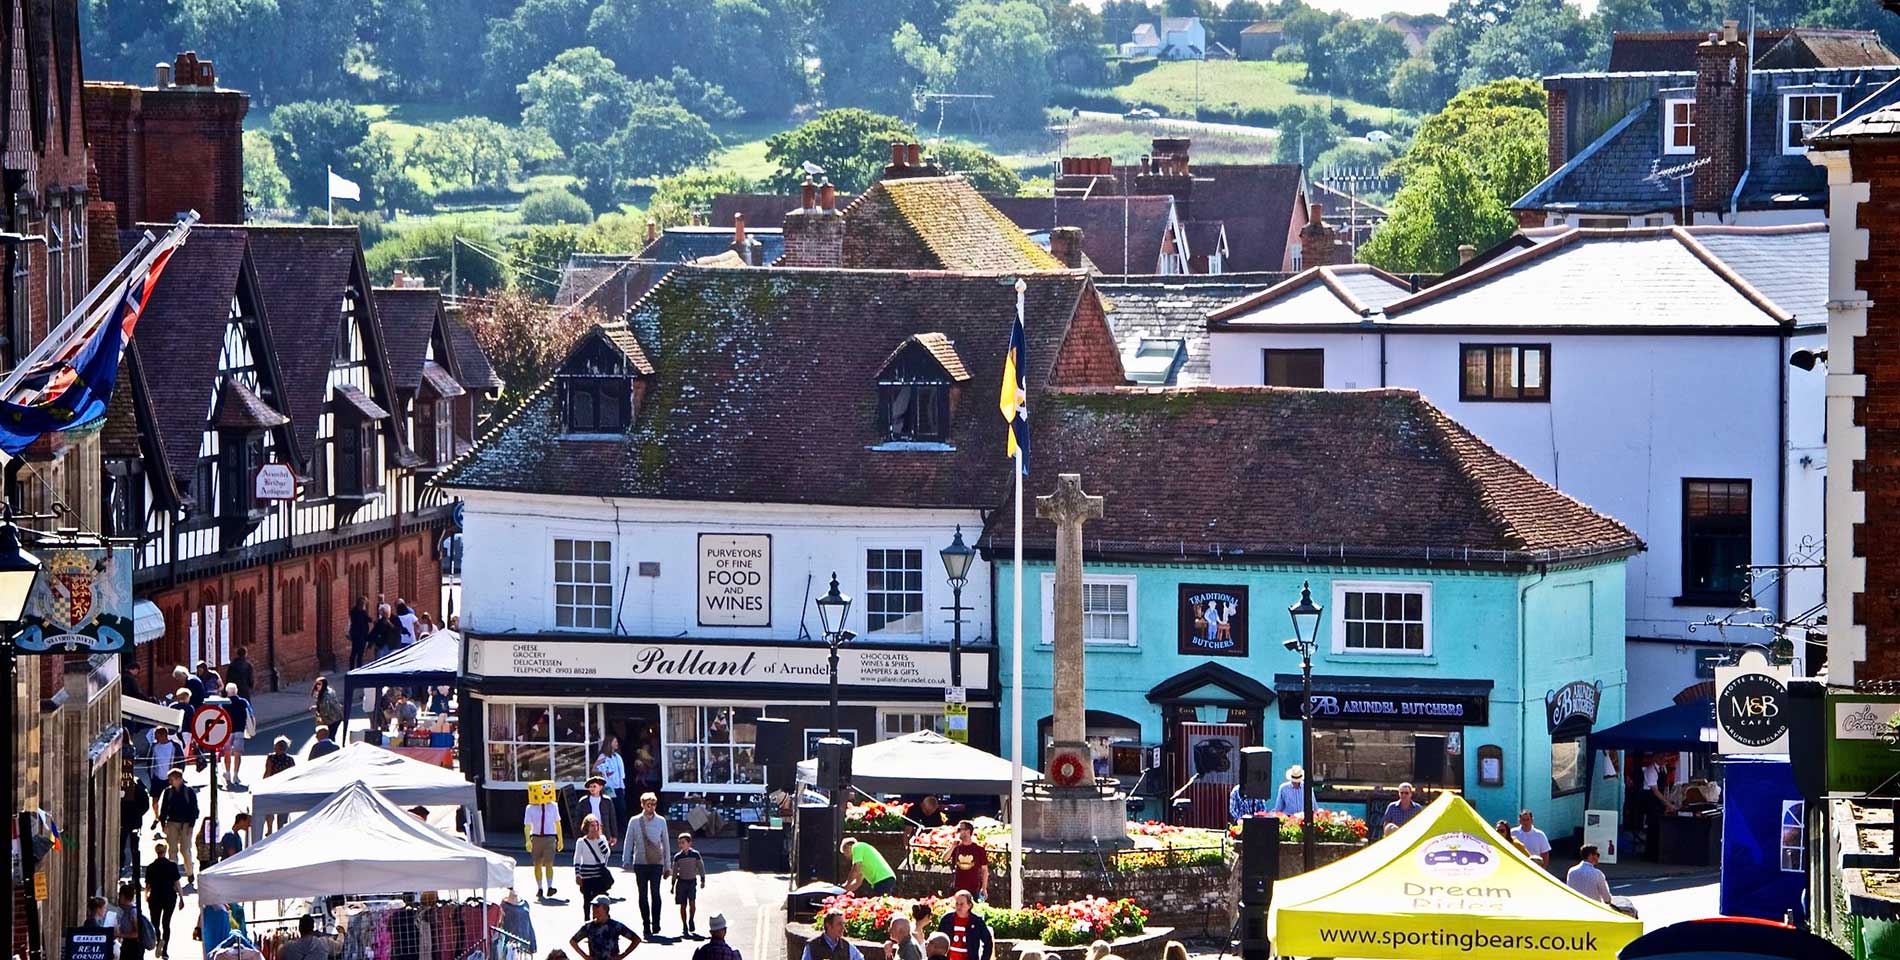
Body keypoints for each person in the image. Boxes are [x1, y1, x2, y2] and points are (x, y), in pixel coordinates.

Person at [622, 792, 671, 938]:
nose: (651, 808)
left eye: (654, 804)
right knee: (642, 895)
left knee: (655, 893)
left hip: (656, 863)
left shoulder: (661, 821)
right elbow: (629, 840)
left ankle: (656, 922)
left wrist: (668, 865)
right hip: (641, 863)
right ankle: (646, 925)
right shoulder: (635, 821)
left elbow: (666, 843)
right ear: (642, 805)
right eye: (648, 804)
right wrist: (626, 859)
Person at [155, 769, 199, 882]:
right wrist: (163, 824)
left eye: (172, 779)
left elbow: (194, 810)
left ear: (179, 779)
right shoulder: (168, 792)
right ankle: (173, 875)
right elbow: (163, 809)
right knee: (172, 850)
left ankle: (190, 873)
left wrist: (191, 826)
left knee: (185, 850)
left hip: (186, 824)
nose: (170, 782)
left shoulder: (189, 792)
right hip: (172, 823)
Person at [525, 782, 564, 899]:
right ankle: (540, 888)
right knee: (537, 864)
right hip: (536, 837)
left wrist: (560, 839)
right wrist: (527, 840)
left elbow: (557, 823)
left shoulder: (553, 806)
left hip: (550, 837)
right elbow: (527, 825)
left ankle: (550, 886)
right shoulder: (530, 808)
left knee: (549, 863)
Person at [570, 896, 640, 960]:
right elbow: (573, 941)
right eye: (593, 906)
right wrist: (585, 956)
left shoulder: (615, 926)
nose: (594, 909)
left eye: (597, 906)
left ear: (605, 908)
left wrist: (622, 955)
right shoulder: (589, 927)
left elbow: (636, 939)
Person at [573, 815, 616, 920]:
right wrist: (577, 874)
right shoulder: (581, 842)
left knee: (598, 899)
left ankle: (599, 918)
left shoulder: (602, 839)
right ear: (587, 827)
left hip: (599, 874)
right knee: (587, 899)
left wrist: (598, 840)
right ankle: (587, 920)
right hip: (587, 875)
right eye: (592, 826)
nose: (594, 828)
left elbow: (606, 853)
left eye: (596, 825)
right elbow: (577, 859)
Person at [146, 841, 183, 958]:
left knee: (155, 923)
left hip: (155, 896)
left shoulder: (151, 867)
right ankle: (165, 951)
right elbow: (177, 884)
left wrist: (146, 895)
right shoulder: (172, 866)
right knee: (166, 923)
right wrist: (182, 898)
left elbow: (147, 886)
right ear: (165, 851)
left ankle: (158, 939)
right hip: (169, 896)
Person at [933, 891, 992, 960]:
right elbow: (938, 941)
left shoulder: (977, 922)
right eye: (957, 903)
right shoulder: (946, 920)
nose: (958, 906)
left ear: (969, 905)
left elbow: (988, 943)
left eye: (961, 904)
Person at [672, 832, 706, 937]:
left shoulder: (695, 854)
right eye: (679, 843)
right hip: (681, 882)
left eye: (683, 842)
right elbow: (674, 871)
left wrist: (702, 879)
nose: (681, 845)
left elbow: (701, 867)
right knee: (683, 905)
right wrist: (672, 885)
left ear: (689, 843)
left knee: (692, 902)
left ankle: (691, 919)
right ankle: (684, 925)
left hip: (691, 882)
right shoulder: (677, 857)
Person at [219, 682, 251, 787]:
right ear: (236, 691)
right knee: (237, 754)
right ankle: (236, 775)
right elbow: (250, 713)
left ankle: (227, 773)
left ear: (227, 692)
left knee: (227, 753)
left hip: (228, 732)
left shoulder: (224, 703)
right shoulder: (243, 702)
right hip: (240, 731)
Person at [947, 821, 988, 901]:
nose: (958, 832)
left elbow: (985, 870)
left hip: (973, 889)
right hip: (957, 888)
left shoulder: (979, 850)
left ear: (968, 831)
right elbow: (944, 858)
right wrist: (952, 847)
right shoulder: (956, 847)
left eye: (960, 829)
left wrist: (984, 888)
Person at [575, 777, 620, 844]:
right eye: (590, 787)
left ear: (600, 787)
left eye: (594, 786)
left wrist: (614, 835)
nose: (592, 788)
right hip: (588, 833)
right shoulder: (583, 801)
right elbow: (578, 820)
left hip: (603, 833)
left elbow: (612, 819)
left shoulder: (607, 801)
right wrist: (578, 836)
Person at [122, 762, 151, 868]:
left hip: (133, 821)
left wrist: (137, 814)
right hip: (127, 821)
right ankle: (121, 868)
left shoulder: (138, 786)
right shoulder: (122, 785)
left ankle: (136, 874)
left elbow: (145, 805)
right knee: (122, 847)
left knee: (134, 848)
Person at [595, 738, 629, 826]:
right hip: (609, 786)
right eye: (615, 742)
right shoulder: (603, 756)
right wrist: (604, 772)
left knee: (622, 808)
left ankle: (622, 829)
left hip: (618, 785)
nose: (617, 743)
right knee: (612, 808)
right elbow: (594, 769)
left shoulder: (616, 756)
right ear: (609, 743)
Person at [117, 882, 147, 960]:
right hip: (127, 945)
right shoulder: (124, 910)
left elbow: (138, 933)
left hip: (134, 947)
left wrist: (120, 935)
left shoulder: (133, 912)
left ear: (123, 896)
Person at [148, 726, 181, 795]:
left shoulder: (175, 746)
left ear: (163, 735)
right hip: (156, 778)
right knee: (155, 799)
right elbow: (149, 761)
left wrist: (177, 776)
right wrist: (151, 775)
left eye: (157, 736)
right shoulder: (154, 747)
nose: (155, 738)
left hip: (170, 779)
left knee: (170, 798)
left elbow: (181, 761)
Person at [348, 597, 372, 669]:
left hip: (356, 635)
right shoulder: (362, 612)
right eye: (364, 604)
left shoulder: (353, 611)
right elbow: (369, 619)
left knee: (354, 652)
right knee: (359, 653)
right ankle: (358, 668)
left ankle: (352, 668)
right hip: (361, 635)